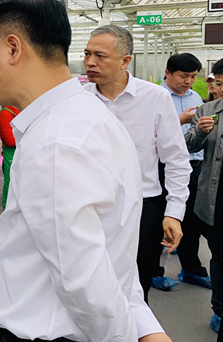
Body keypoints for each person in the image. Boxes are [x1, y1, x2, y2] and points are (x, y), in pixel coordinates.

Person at [0, 0, 170, 342]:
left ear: (13, 48)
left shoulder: (56, 142)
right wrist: (143, 325)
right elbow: (114, 251)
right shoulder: (87, 117)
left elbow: (84, 281)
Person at [83, 25, 190, 302]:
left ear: (125, 60)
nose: (90, 62)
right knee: (89, 281)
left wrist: (173, 212)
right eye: (86, 54)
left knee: (137, 284)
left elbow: (176, 159)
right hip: (88, 206)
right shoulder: (79, 99)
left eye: (100, 56)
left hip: (142, 206)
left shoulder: (154, 98)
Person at [157, 53, 211, 290]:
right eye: (183, 76)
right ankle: (154, 271)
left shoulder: (195, 97)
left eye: (193, 76)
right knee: (159, 219)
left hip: (194, 166)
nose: (188, 81)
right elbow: (152, 136)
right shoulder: (156, 97)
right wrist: (179, 120)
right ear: (167, 74)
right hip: (166, 168)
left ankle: (191, 269)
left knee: (191, 222)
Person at [186, 57, 223, 335]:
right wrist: (199, 131)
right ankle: (219, 310)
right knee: (219, 255)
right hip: (215, 197)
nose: (219, 89)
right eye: (218, 83)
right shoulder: (207, 110)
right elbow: (188, 144)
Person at [0, 105, 19, 209]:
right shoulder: (6, 113)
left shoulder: (27, 110)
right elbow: (9, 140)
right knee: (11, 189)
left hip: (24, 157)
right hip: (12, 159)